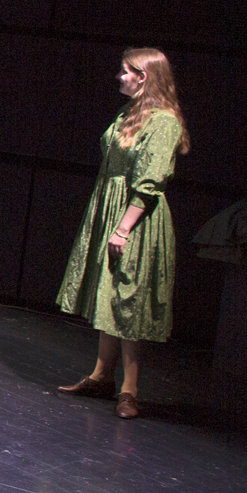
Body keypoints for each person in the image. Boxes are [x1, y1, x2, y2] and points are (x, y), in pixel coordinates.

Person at [56, 47, 190, 419]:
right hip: (111, 207)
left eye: (125, 72)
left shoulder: (163, 122)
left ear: (143, 77)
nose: (119, 77)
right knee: (109, 291)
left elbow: (150, 181)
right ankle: (102, 376)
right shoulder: (129, 113)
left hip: (136, 216)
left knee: (130, 297)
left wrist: (123, 227)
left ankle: (130, 389)